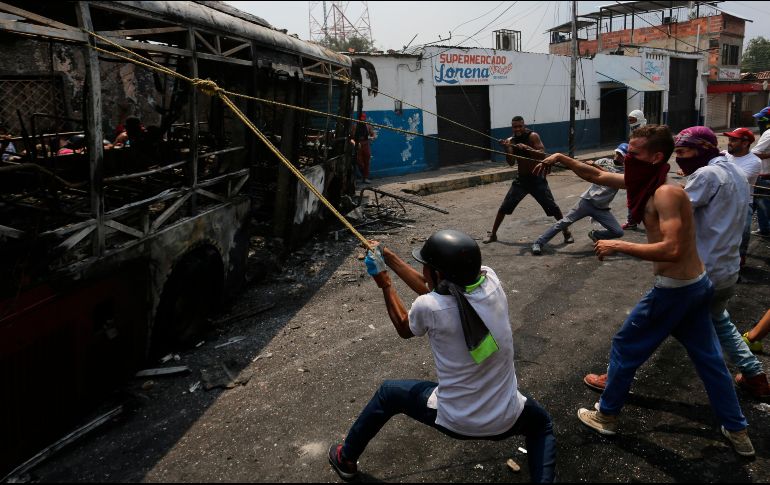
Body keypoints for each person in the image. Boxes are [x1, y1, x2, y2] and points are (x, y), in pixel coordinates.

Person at [536, 125, 754, 457]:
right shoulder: (648, 182)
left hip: (675, 290)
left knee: (626, 344)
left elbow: (671, 249)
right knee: (709, 359)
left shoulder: (665, 193)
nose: (626, 159)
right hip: (696, 286)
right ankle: (737, 429)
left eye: (634, 154)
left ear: (654, 158)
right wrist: (562, 158)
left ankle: (606, 415)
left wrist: (617, 244)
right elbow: (597, 176)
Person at [328, 230, 556, 482]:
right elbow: (434, 289)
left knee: (388, 393)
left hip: (457, 419)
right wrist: (389, 257)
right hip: (507, 415)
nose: (423, 270)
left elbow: (405, 327)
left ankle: (346, 458)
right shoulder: (490, 280)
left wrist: (385, 283)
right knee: (541, 425)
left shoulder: (430, 307)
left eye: (426, 266)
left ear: (439, 274)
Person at [581, 127, 770, 402]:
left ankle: (614, 385)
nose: (680, 158)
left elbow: (672, 204)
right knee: (718, 323)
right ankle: (754, 378)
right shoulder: (734, 170)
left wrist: (626, 237)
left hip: (696, 273)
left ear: (703, 149)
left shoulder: (705, 175)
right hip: (727, 267)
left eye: (685, 152)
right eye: (677, 152)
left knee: (643, 329)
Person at [483, 116, 572, 245]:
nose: (517, 129)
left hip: (537, 178)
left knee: (553, 207)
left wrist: (527, 148)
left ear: (524, 126)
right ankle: (493, 234)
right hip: (522, 180)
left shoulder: (533, 136)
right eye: (515, 127)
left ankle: (566, 232)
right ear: (512, 127)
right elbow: (511, 162)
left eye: (520, 126)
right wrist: (507, 148)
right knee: (504, 207)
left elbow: (542, 154)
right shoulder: (510, 141)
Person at [531, 143, 628, 255]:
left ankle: (596, 234)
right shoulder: (604, 161)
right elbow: (588, 172)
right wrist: (583, 165)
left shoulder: (625, 172)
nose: (618, 156)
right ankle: (539, 242)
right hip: (587, 201)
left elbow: (608, 177)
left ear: (626, 158)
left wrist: (595, 167)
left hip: (602, 207)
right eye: (617, 153)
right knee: (563, 223)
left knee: (618, 232)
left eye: (621, 155)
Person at [723, 128, 761, 267]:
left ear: (745, 143)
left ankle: (740, 256)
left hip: (743, 202)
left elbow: (735, 180)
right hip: (723, 199)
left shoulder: (754, 161)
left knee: (743, 230)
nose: (729, 143)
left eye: (733, 140)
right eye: (729, 139)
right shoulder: (724, 155)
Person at [622, 110, 648, 230]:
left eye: (633, 120)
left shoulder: (646, 132)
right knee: (631, 194)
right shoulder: (633, 132)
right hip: (633, 167)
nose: (630, 122)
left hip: (643, 167)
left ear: (639, 119)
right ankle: (631, 220)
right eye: (629, 120)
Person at [751, 115, 770, 238]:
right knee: (761, 203)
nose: (759, 123)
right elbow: (756, 153)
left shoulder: (768, 133)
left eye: (762, 120)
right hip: (764, 176)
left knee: (761, 203)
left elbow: (755, 153)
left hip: (765, 176)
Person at [351, 112, 375, 184]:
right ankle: (361, 175)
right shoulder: (355, 126)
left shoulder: (368, 126)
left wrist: (372, 137)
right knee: (359, 162)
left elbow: (373, 134)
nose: (362, 120)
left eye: (363, 119)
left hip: (366, 144)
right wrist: (355, 143)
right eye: (361, 119)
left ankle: (365, 178)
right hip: (358, 145)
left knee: (367, 161)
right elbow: (351, 138)